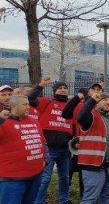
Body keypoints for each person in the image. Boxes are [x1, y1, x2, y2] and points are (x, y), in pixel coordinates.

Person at [28, 76, 73, 204]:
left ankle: (64, 200)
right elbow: (30, 99)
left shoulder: (71, 105)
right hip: (49, 148)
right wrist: (41, 85)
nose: (63, 90)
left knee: (64, 177)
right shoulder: (46, 102)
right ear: (54, 91)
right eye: (60, 88)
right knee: (45, 178)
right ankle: (38, 201)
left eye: (65, 88)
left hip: (64, 148)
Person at [76, 92, 109, 203]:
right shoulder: (91, 116)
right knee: (90, 198)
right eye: (104, 100)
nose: (108, 102)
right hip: (94, 165)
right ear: (97, 103)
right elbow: (80, 117)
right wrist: (91, 100)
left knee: (107, 196)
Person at [0, 95, 47, 203]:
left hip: (35, 175)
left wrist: (46, 159)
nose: (28, 107)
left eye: (28, 104)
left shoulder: (34, 121)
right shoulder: (4, 122)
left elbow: (43, 141)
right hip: (12, 179)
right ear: (14, 106)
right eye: (24, 104)